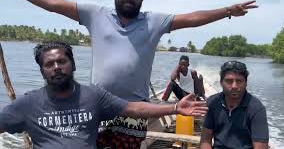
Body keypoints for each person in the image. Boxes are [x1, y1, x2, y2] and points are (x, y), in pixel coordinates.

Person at [0, 0, 258, 148]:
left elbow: (191, 18)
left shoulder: (154, 21)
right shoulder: (95, 14)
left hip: (135, 110)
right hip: (94, 107)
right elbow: (52, 2)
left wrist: (227, 12)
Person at [0, 41, 207, 149]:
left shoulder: (92, 95)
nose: (56, 67)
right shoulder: (29, 103)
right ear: (42, 71)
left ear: (72, 64)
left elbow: (133, 108)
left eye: (61, 61)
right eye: (49, 64)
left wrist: (174, 108)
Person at [200, 61, 269, 149]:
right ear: (221, 82)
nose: (234, 86)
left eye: (239, 81)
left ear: (246, 83)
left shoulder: (256, 109)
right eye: (229, 81)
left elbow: (261, 147)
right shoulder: (212, 102)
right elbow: (205, 140)